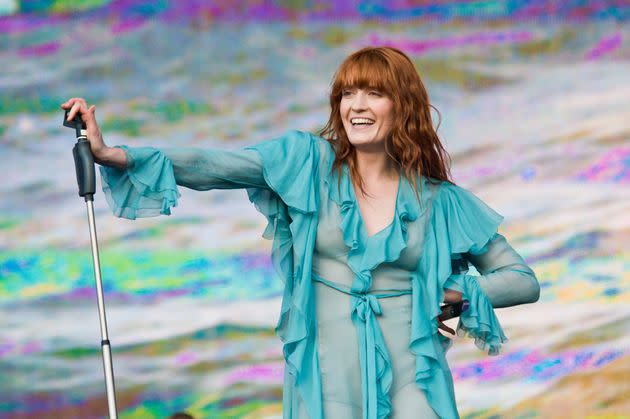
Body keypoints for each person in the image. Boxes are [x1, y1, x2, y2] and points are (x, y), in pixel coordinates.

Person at [61, 47, 540, 419]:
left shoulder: (441, 201)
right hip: (326, 374)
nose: (356, 106)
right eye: (347, 94)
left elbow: (521, 279)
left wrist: (457, 290)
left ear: (404, 106)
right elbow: (215, 165)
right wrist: (112, 153)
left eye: (374, 93)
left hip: (413, 375)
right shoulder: (307, 164)